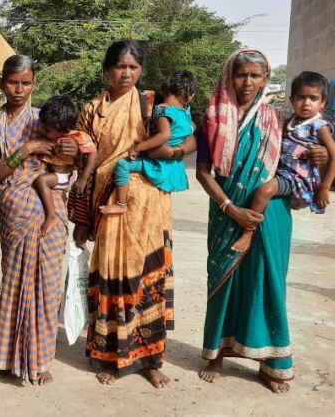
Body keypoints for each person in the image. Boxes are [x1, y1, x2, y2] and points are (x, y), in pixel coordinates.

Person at [196, 49, 329, 394]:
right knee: (223, 280)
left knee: (267, 282)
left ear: (265, 79)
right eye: (241, 74)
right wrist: (231, 208)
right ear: (230, 76)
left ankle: (271, 363)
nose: (248, 82)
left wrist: (322, 156)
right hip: (226, 211)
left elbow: (304, 159)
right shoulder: (213, 119)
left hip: (272, 214)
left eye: (255, 75)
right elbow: (203, 173)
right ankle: (216, 354)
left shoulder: (279, 119)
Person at [68, 40, 197, 388]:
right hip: (110, 204)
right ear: (107, 70)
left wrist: (173, 153)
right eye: (120, 66)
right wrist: (82, 219)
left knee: (149, 278)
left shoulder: (153, 103)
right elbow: (84, 164)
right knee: (114, 278)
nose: (126, 73)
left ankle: (151, 360)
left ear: (141, 70)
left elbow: (190, 139)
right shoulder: (92, 110)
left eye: (133, 67)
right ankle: (112, 358)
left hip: (152, 206)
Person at [0, 54, 73, 385]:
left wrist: (69, 158)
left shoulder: (46, 119)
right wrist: (27, 149)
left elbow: (67, 166)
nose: (19, 89)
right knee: (14, 286)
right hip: (14, 213)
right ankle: (5, 358)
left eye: (26, 83)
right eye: (13, 82)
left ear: (34, 84)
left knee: (46, 287)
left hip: (50, 214)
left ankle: (41, 359)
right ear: (2, 83)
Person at [229, 71, 335, 253]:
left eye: (313, 98)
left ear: (323, 103)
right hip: (279, 171)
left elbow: (333, 155)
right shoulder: (288, 120)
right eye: (301, 97)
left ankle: (248, 232)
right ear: (292, 99)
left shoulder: (319, 126)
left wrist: (324, 188)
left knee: (264, 191)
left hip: (296, 177)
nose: (306, 103)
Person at [99, 70, 196, 214]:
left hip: (159, 163)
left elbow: (165, 135)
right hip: (174, 164)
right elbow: (192, 128)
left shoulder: (162, 111)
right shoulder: (185, 113)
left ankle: (121, 204)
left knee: (122, 164)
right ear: (189, 96)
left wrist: (138, 148)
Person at [32, 95, 97, 235]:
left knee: (41, 181)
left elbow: (93, 153)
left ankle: (52, 215)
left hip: (66, 175)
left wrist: (83, 179)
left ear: (65, 130)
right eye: (42, 126)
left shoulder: (78, 137)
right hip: (55, 174)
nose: (42, 130)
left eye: (47, 130)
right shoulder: (47, 135)